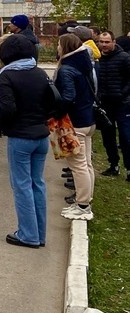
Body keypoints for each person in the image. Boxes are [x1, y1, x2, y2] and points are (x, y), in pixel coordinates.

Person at [0, 33, 55, 248]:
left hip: (20, 136)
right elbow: (52, 101)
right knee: (37, 184)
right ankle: (39, 233)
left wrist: (1, 126)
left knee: (21, 186)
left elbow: (7, 107)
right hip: (41, 134)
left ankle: (28, 234)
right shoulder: (39, 72)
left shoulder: (7, 75)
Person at [55, 33, 96, 220]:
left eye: (59, 44)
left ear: (65, 47)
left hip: (75, 123)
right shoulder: (84, 64)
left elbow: (68, 97)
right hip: (88, 120)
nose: (57, 47)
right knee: (86, 164)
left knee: (78, 166)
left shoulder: (66, 69)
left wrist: (55, 111)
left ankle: (82, 205)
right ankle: (85, 200)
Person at [95, 31, 130, 180]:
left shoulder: (124, 58)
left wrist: (122, 94)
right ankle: (113, 165)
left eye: (107, 42)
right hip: (105, 104)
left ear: (114, 42)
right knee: (108, 137)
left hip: (122, 104)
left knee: (126, 137)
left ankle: (129, 168)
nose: (104, 45)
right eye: (101, 42)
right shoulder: (97, 59)